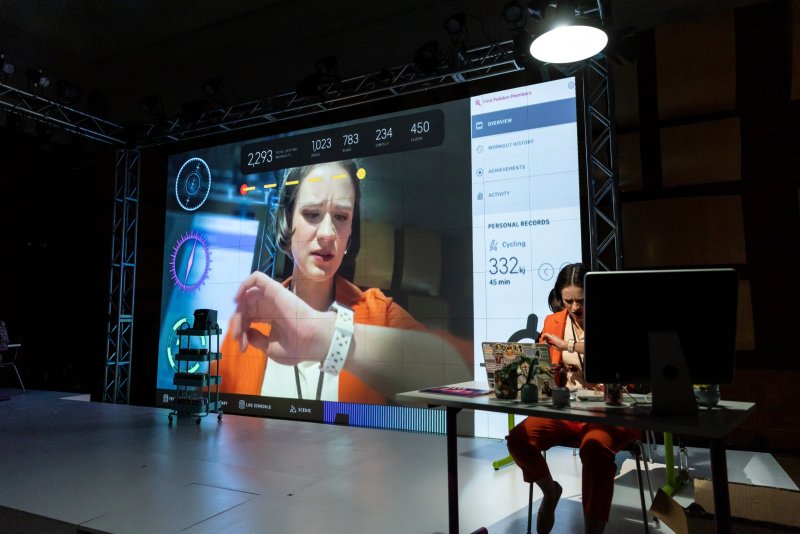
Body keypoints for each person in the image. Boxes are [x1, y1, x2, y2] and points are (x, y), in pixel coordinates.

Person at [217, 159, 467, 402]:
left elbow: (458, 377)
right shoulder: (247, 326)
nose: (327, 233)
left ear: (350, 232)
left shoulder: (379, 313)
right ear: (287, 219)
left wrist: (326, 337)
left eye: (341, 217)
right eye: (312, 214)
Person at [506, 263, 640, 534]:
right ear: (560, 297)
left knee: (595, 449)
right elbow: (542, 367)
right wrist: (548, 371)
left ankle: (594, 527)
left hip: (610, 411)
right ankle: (550, 491)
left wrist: (568, 347)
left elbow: (624, 362)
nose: (575, 307)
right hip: (566, 407)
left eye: (581, 300)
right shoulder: (552, 322)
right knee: (518, 440)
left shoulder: (613, 319)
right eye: (568, 301)